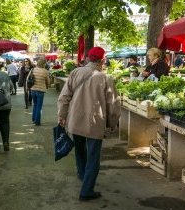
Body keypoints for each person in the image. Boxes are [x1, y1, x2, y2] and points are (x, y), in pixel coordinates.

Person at [57, 47, 121, 201]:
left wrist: (61, 115)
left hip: (75, 119)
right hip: (94, 122)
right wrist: (112, 123)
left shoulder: (75, 72)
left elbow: (64, 96)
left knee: (80, 150)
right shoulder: (106, 78)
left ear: (87, 58)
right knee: (93, 156)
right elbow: (113, 104)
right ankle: (86, 190)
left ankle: (82, 174)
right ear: (102, 60)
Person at [30, 58, 50, 126]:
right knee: (39, 106)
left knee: (35, 105)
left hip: (33, 89)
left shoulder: (33, 70)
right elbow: (48, 82)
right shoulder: (45, 71)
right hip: (40, 90)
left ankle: (33, 119)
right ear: (44, 64)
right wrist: (47, 86)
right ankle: (37, 121)